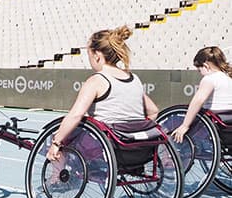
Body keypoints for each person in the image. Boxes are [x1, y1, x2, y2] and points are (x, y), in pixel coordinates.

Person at [47, 26, 158, 163]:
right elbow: (153, 111)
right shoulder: (134, 79)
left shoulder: (97, 81)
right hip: (138, 149)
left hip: (108, 147)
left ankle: (57, 178)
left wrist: (56, 142)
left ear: (97, 56)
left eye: (89, 56)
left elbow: (76, 115)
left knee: (57, 133)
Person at [171, 46, 232, 143]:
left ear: (206, 66)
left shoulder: (209, 79)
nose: (200, 74)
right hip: (227, 123)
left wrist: (185, 125)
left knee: (173, 121)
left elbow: (197, 101)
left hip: (213, 123)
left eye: (199, 70)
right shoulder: (228, 78)